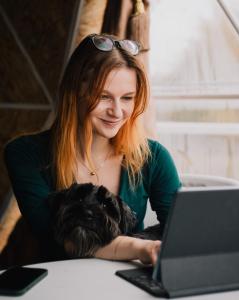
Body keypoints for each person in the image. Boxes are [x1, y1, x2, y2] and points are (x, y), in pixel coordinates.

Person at [4, 34, 181, 265]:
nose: (117, 112)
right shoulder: (25, 154)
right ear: (74, 92)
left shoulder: (154, 157)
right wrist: (140, 247)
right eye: (103, 97)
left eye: (127, 98)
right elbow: (63, 240)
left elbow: (183, 230)